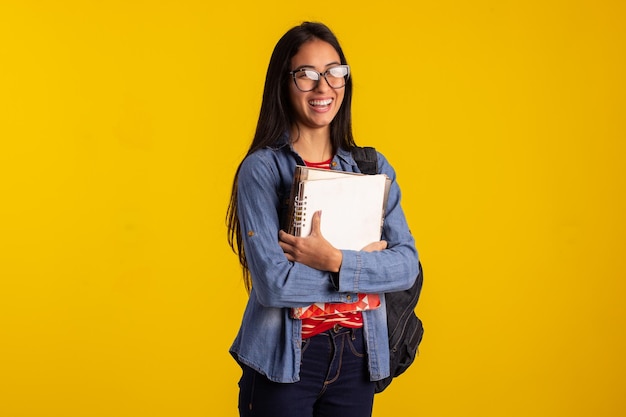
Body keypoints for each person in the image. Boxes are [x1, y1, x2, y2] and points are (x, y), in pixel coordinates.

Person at [226, 22, 419, 417]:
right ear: (284, 83)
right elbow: (274, 285)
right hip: (285, 360)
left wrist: (333, 261)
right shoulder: (261, 170)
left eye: (334, 72)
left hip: (359, 356)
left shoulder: (371, 168)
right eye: (307, 75)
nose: (323, 87)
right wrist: (364, 277)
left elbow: (407, 266)